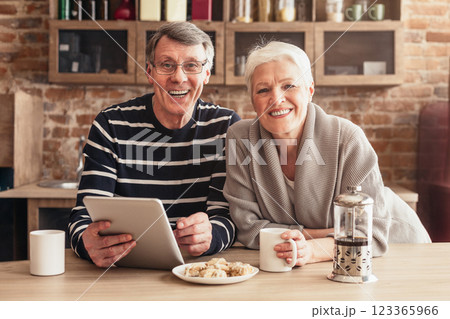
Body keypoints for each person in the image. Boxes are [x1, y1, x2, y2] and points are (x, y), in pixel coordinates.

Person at [224, 41, 430, 267]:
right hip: (309, 258)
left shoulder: (348, 137)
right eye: (263, 90)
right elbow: (249, 229)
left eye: (289, 86)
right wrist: (329, 236)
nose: (276, 98)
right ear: (253, 99)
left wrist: (312, 248)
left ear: (310, 90)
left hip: (397, 252)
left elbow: (370, 233)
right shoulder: (240, 138)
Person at [68, 22, 241, 267]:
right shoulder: (111, 124)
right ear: (149, 72)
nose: (178, 77)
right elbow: (83, 217)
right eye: (166, 65)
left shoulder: (225, 126)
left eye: (191, 65)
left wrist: (212, 235)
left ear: (206, 73)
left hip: (197, 269)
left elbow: (228, 217)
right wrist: (87, 244)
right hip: (123, 271)